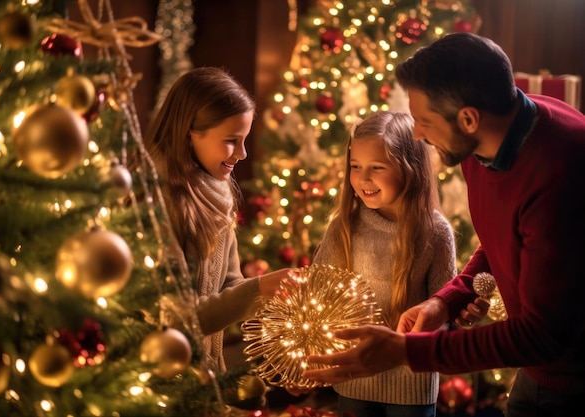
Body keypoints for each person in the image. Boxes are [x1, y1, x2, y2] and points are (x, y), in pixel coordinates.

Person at [303, 32, 585, 417]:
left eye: (424, 121)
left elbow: (542, 334)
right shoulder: (481, 140)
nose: (417, 134)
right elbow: (512, 237)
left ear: (468, 118)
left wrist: (405, 351)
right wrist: (445, 301)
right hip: (541, 371)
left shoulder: (561, 171)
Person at [142, 66, 296, 372]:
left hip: (205, 376)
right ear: (189, 135)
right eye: (231, 140)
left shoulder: (218, 190)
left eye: (244, 140)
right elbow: (174, 318)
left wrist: (277, 314)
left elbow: (229, 282)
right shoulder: (152, 201)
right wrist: (258, 289)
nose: (242, 154)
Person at [311, 111, 457, 417]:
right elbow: (317, 295)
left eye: (377, 167)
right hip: (354, 382)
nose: (363, 179)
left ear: (411, 169)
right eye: (355, 167)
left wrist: (414, 345)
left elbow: (445, 307)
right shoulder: (344, 226)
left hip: (412, 387)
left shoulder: (436, 232)